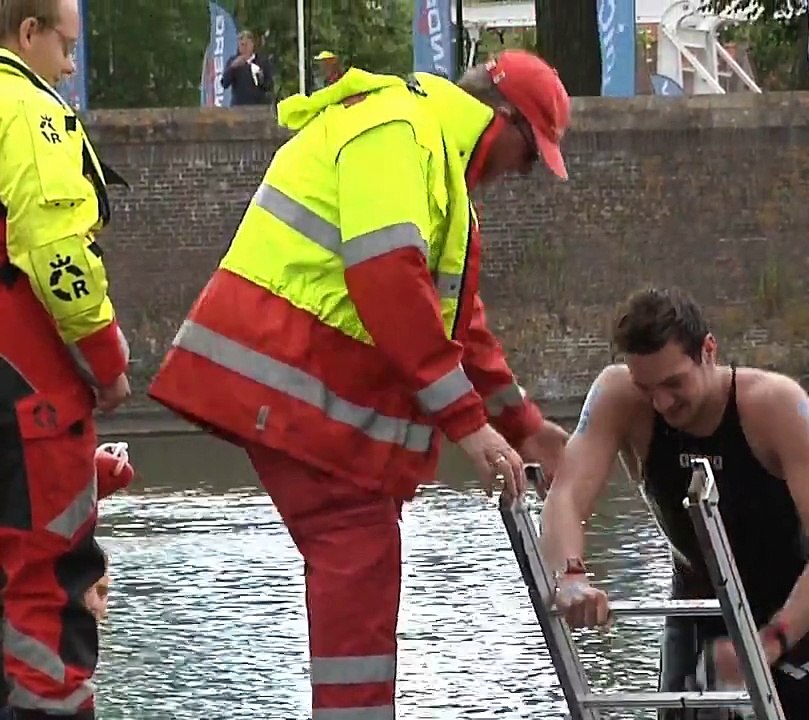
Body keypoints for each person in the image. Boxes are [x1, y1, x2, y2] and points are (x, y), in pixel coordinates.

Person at [147, 49, 573, 719]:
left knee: (360, 590)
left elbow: (459, 325)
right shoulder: (398, 132)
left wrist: (524, 425)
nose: (519, 176)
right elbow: (383, 278)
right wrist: (470, 425)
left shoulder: (425, 151)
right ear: (503, 121)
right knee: (357, 572)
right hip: (299, 395)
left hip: (301, 398)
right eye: (528, 156)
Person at [539, 287, 809, 719]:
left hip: (789, 614)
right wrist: (570, 575)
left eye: (674, 383)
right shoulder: (619, 397)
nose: (662, 403)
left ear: (708, 350)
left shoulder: (775, 405)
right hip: (695, 608)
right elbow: (565, 496)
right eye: (646, 387)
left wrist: (770, 640)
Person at [0, 0, 133, 717]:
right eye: (65, 48)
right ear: (28, 34)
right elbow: (57, 255)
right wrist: (107, 360)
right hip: (25, 386)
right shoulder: (28, 112)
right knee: (50, 583)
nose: (71, 68)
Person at [220, 30, 273, 106]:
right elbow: (224, 83)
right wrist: (232, 67)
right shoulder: (233, 61)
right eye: (241, 45)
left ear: (252, 44)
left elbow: (269, 85)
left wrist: (260, 77)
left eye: (246, 44)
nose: (244, 48)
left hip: (258, 107)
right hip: (239, 107)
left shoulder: (262, 61)